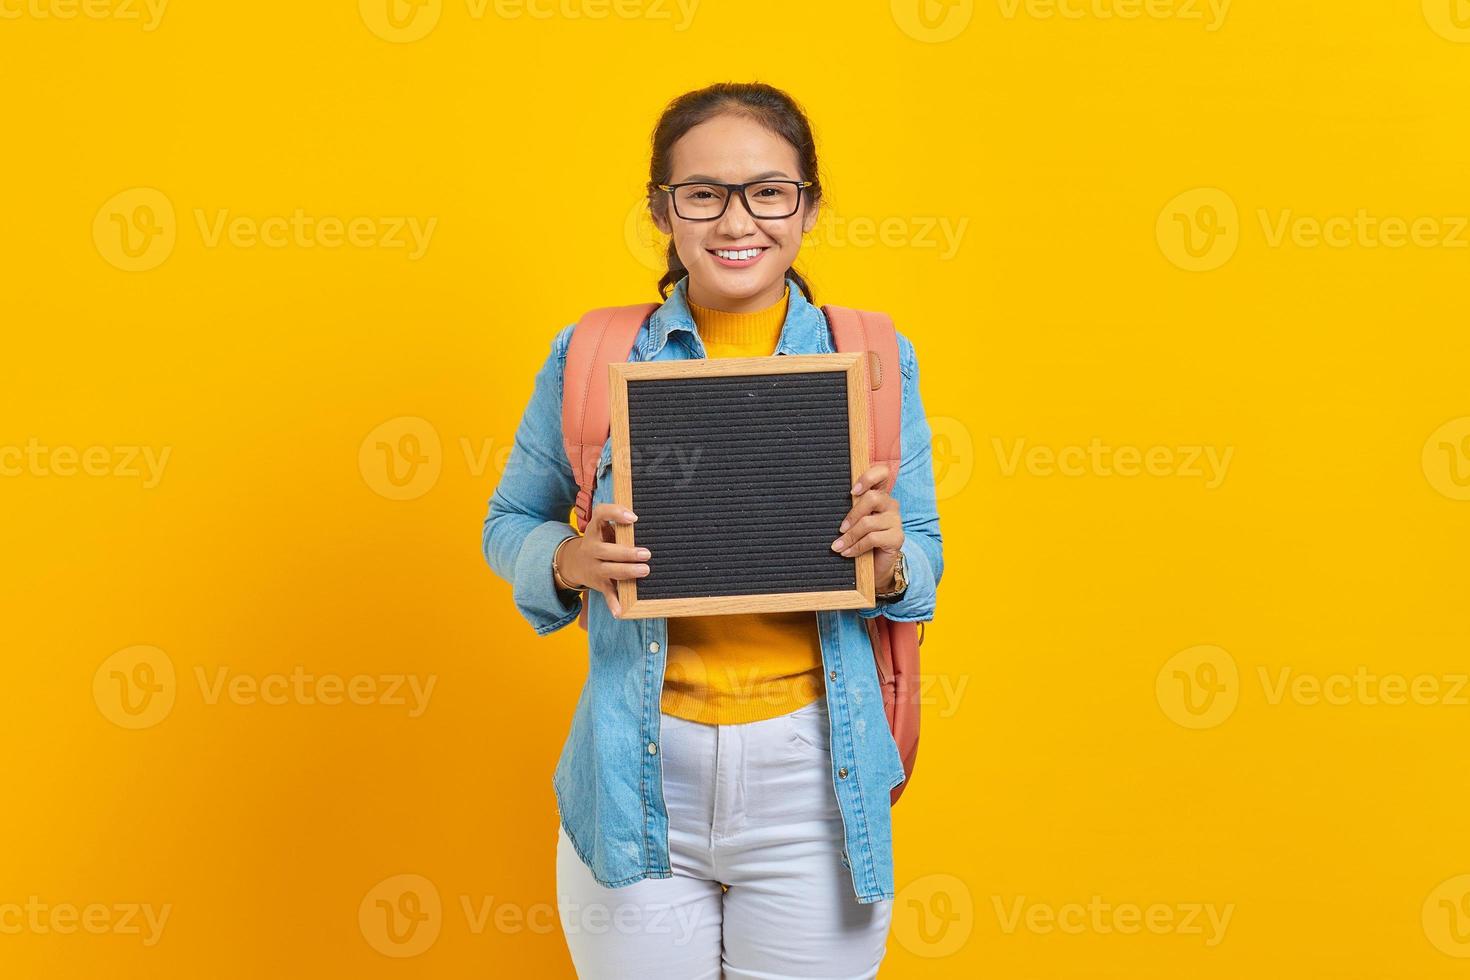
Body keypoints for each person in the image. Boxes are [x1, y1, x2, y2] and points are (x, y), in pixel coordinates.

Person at [481, 81, 943, 979]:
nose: (739, 222)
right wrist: (570, 560)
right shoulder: (593, 356)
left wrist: (889, 563)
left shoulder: (877, 359)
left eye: (769, 192)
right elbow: (510, 522)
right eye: (704, 194)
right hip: (635, 769)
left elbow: (922, 556)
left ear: (807, 207)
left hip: (815, 773)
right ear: (664, 210)